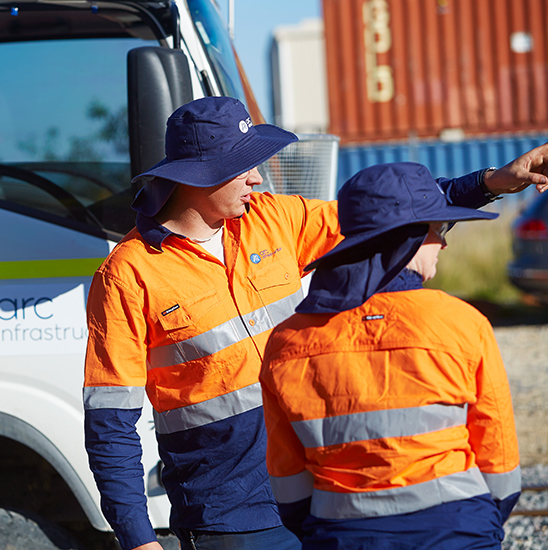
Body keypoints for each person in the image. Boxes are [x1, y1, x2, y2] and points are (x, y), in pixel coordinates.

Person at [82, 96, 547, 550]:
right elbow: (110, 420)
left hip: (319, 496)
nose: (257, 177)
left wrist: (494, 181)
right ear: (200, 175)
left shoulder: (274, 220)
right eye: (244, 166)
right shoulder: (128, 274)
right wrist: (139, 538)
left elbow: (390, 214)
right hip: (228, 514)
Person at [259, 162, 521, 549]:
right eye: (440, 229)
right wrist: (475, 523)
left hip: (344, 536)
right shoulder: (463, 322)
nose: (444, 244)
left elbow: (289, 481)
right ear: (409, 239)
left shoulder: (286, 342)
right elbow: (499, 463)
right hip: (460, 530)